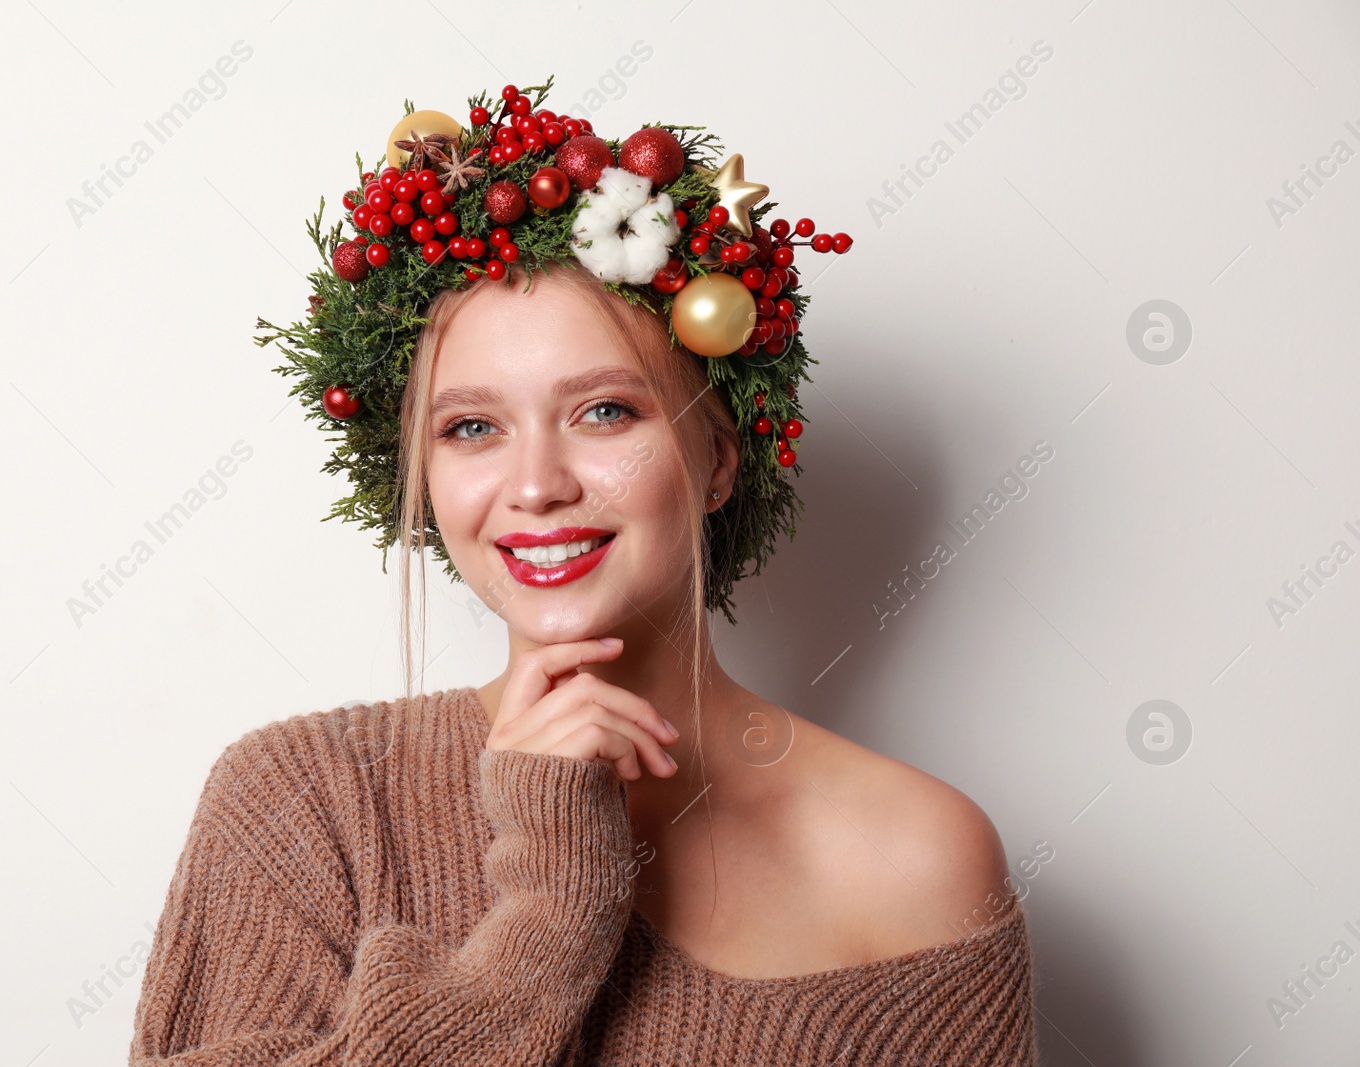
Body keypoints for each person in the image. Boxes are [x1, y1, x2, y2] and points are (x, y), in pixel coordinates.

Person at [129, 78, 1039, 1066]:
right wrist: (550, 909)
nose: (534, 484)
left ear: (720, 458)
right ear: (423, 475)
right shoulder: (307, 802)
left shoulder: (918, 856)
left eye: (605, 410)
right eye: (471, 427)